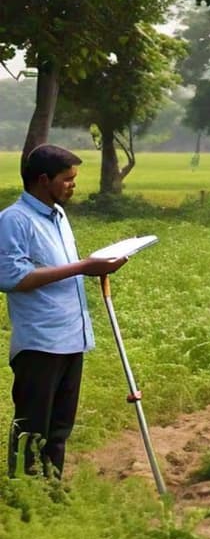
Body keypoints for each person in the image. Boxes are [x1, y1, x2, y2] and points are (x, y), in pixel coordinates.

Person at [0, 145, 126, 478]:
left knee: (58, 430)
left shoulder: (58, 215)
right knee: (32, 430)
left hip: (71, 337)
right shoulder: (15, 220)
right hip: (41, 342)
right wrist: (82, 267)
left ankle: (51, 491)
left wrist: (94, 268)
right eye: (67, 179)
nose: (73, 185)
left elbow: (62, 267)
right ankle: (23, 499)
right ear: (44, 180)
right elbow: (12, 277)